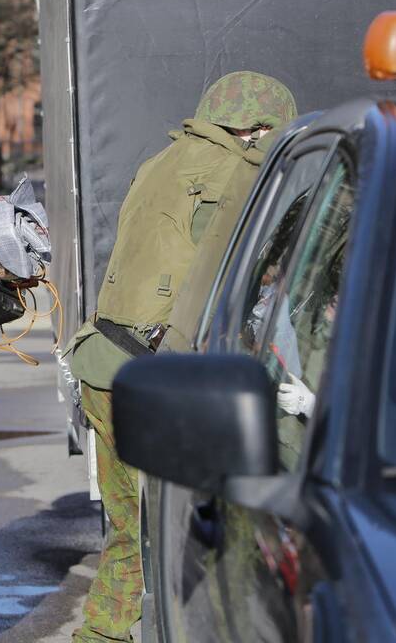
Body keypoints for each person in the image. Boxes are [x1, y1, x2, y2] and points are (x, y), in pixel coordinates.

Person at [67, 71, 296, 643]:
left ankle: (101, 635)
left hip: (104, 366)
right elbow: (247, 272)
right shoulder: (238, 173)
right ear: (256, 131)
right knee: (209, 545)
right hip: (161, 382)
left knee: (129, 534)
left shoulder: (161, 164)